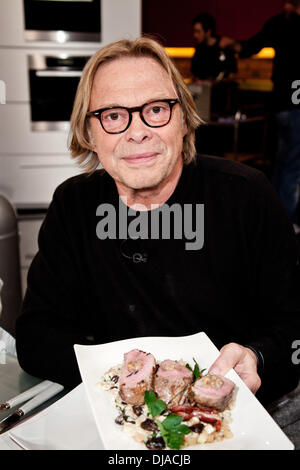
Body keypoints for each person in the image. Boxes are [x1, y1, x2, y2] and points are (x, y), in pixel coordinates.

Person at [15, 37, 300, 406]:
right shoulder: (73, 205)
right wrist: (134, 376)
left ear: (183, 117)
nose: (137, 132)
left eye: (155, 109)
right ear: (89, 133)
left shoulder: (247, 195)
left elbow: (293, 328)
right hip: (112, 415)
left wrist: (257, 356)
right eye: (113, 115)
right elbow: (36, 337)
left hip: (237, 416)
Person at [220, 1, 300, 234]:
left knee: (281, 162)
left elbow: (249, 47)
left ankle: (275, 215)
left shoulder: (278, 23)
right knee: (292, 166)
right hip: (295, 106)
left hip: (280, 104)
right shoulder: (283, 23)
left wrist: (232, 44)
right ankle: (287, 221)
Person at [191, 13, 237, 82]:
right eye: (194, 31)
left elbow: (232, 74)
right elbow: (194, 74)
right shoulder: (199, 49)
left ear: (208, 31)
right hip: (203, 90)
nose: (195, 35)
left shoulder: (224, 47)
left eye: (198, 32)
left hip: (222, 90)